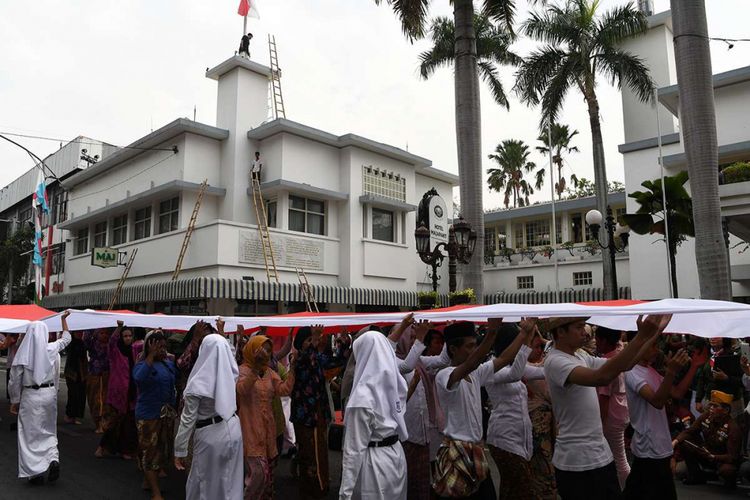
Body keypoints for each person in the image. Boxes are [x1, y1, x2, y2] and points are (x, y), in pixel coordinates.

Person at [542, 314, 670, 500]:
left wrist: (653, 333)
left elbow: (625, 363)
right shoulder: (555, 361)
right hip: (577, 461)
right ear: (560, 332)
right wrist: (642, 336)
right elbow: (601, 377)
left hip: (599, 455)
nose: (584, 333)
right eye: (578, 327)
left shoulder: (580, 355)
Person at [432, 318, 533, 499]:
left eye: (474, 346)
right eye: (469, 346)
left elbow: (504, 359)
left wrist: (525, 333)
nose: (473, 350)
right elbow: (472, 362)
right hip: (458, 452)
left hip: (476, 451)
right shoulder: (444, 375)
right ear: (453, 349)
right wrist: (492, 332)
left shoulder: (476, 373)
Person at [339, 330, 409, 500]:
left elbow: (353, 451)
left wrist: (345, 494)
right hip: (396, 457)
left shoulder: (362, 397)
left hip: (374, 464)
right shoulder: (394, 384)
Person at [174, 335, 243, 500]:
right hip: (233, 429)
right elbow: (229, 351)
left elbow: (187, 420)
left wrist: (180, 450)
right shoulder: (231, 373)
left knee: (204, 483)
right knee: (231, 483)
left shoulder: (198, 383)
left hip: (210, 436)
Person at [622, 338, 692, 500]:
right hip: (649, 446)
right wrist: (671, 372)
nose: (657, 350)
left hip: (660, 445)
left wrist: (694, 366)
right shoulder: (632, 372)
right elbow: (657, 401)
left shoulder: (651, 371)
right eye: (653, 345)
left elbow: (676, 393)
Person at [9, 311, 72, 484]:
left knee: (29, 434)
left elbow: (15, 380)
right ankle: (53, 458)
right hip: (49, 395)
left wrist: (15, 400)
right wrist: (63, 320)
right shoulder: (51, 349)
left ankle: (34, 473)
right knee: (48, 430)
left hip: (31, 395)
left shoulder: (22, 355)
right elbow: (67, 339)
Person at [485, 323, 545, 500]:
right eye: (518, 341)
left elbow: (541, 372)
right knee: (524, 490)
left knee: (512, 490)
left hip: (518, 438)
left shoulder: (513, 364)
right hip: (504, 438)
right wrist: (526, 342)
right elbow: (515, 374)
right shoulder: (491, 366)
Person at [236, 334, 296, 499]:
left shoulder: (269, 372)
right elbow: (242, 390)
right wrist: (254, 368)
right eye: (262, 350)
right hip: (250, 429)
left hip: (269, 429)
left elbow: (284, 390)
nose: (266, 354)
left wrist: (294, 368)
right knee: (258, 473)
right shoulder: (242, 371)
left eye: (269, 351)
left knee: (268, 477)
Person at [291, 325, 336, 499]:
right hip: (305, 417)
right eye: (308, 340)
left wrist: (346, 346)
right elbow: (305, 359)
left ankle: (321, 488)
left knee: (321, 454)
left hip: (318, 415)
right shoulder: (297, 359)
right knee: (308, 457)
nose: (313, 343)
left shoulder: (316, 357)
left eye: (313, 340)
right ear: (301, 343)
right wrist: (315, 341)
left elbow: (332, 361)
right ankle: (310, 493)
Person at [133, 329, 177, 500]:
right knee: (150, 452)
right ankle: (156, 493)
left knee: (163, 451)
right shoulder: (142, 364)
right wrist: (149, 357)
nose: (162, 350)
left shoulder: (168, 364)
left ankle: (147, 480)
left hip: (165, 415)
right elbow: (139, 379)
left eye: (163, 347)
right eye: (158, 347)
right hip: (148, 415)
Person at [674, 390, 742, 488]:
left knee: (727, 470)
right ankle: (696, 476)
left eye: (715, 406)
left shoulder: (733, 428)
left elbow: (732, 457)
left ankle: (730, 481)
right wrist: (675, 441)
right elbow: (690, 432)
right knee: (683, 443)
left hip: (722, 460)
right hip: (706, 454)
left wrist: (715, 457)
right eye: (710, 405)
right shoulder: (706, 416)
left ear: (726, 410)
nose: (711, 408)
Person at [96, 321, 138, 459]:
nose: (127, 338)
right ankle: (102, 447)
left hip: (130, 393)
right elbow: (112, 342)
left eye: (129, 336)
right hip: (118, 393)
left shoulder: (133, 350)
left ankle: (125, 450)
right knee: (113, 423)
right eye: (125, 336)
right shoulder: (116, 351)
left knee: (128, 424)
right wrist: (118, 328)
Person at [595, 327, 630, 488]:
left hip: (612, 416)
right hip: (621, 411)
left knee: (618, 459)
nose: (595, 343)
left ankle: (627, 491)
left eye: (597, 339)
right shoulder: (620, 355)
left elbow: (604, 397)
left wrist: (600, 423)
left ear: (604, 341)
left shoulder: (608, 362)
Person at [526, 332, 557, 500]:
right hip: (539, 425)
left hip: (537, 424)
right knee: (544, 469)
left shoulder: (521, 367)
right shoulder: (530, 369)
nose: (540, 350)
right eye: (536, 347)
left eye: (541, 347)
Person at [84, 328, 110, 433]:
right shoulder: (92, 343)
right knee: (95, 400)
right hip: (94, 374)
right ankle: (98, 423)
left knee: (106, 399)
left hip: (107, 374)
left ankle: (105, 422)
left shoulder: (110, 344)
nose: (104, 335)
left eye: (106, 333)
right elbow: (85, 340)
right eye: (101, 333)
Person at [63, 330, 88, 425]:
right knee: (72, 394)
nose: (79, 333)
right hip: (72, 373)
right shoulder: (71, 343)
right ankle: (69, 415)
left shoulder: (82, 343)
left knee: (80, 395)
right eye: (77, 332)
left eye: (80, 332)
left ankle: (74, 416)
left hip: (81, 372)